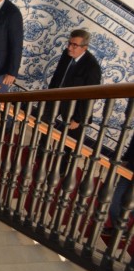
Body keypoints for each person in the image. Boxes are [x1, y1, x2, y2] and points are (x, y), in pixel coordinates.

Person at [44, 29, 102, 173]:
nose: (70, 48)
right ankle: (41, 150)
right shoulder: (66, 54)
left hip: (76, 109)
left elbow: (89, 97)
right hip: (55, 98)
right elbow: (57, 76)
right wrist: (48, 95)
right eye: (69, 43)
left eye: (74, 45)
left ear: (85, 48)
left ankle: (63, 168)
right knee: (43, 124)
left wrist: (78, 119)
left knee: (69, 141)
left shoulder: (92, 67)